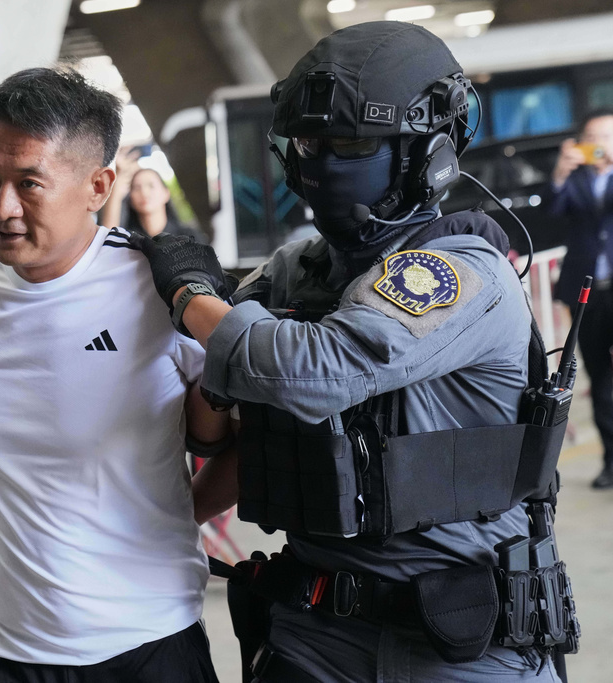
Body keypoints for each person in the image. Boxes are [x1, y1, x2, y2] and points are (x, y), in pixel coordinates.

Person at [133, 21, 578, 682]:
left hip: (456, 642)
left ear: (428, 154)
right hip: (314, 632)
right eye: (307, 141)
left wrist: (190, 293)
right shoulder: (296, 269)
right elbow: (210, 429)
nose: (320, 161)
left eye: (347, 142)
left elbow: (315, 368)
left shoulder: (464, 274)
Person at [0, 67, 233, 683]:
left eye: (30, 183)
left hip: (146, 641)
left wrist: (172, 516)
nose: (1, 206)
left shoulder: (159, 289)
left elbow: (246, 437)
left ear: (97, 185)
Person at [546, 109, 613, 489]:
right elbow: (555, 211)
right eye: (593, 137)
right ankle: (611, 462)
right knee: (599, 378)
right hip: (587, 293)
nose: (599, 144)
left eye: (607, 137)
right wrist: (560, 172)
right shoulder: (576, 178)